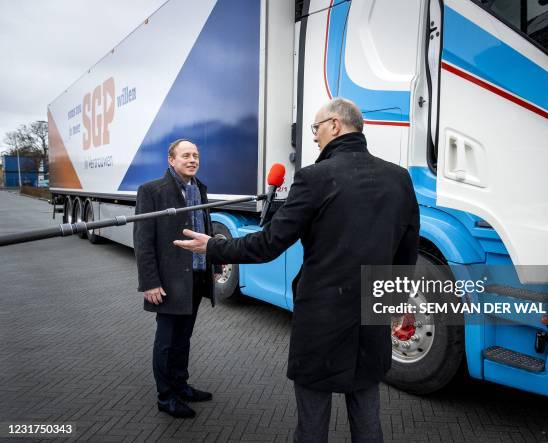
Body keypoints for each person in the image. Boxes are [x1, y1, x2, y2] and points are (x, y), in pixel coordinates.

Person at [174, 98, 420, 440]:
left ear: (335, 125)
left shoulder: (315, 178)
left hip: (322, 319)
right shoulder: (399, 178)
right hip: (371, 316)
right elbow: (406, 252)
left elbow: (268, 244)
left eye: (316, 128)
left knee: (312, 423)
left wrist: (213, 246)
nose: (315, 137)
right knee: (367, 416)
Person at [134, 139, 221, 419]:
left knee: (184, 337)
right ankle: (166, 396)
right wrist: (149, 282)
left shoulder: (199, 188)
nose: (193, 160)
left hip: (195, 276)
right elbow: (143, 240)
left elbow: (205, 228)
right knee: (167, 341)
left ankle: (181, 385)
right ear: (171, 160)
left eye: (196, 155)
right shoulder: (151, 191)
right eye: (186, 155)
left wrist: (213, 263)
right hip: (169, 280)